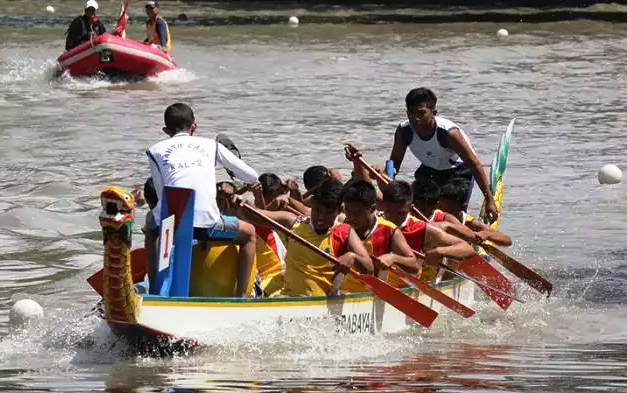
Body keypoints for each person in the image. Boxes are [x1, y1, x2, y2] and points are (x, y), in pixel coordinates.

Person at [145, 103, 259, 297]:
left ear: (166, 130)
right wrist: (251, 184)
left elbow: (161, 192)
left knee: (150, 229)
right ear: (194, 127)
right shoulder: (211, 145)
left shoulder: (154, 150)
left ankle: (155, 291)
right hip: (208, 225)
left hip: (171, 226)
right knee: (250, 234)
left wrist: (154, 221)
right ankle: (241, 296)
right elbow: (251, 175)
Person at [234, 178, 374, 297]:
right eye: (318, 210)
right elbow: (254, 215)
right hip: (288, 297)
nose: (321, 218)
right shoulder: (292, 222)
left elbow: (369, 268)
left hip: (322, 304)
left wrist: (352, 257)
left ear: (339, 210)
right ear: (312, 202)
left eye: (328, 213)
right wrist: (239, 202)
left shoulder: (345, 232)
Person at [387, 87, 498, 223]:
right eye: (411, 113)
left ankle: (461, 230)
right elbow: (395, 163)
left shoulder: (448, 134)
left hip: (458, 172)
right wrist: (389, 185)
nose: (415, 119)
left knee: (449, 213)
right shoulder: (403, 132)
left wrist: (489, 199)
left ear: (433, 113)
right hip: (429, 169)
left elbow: (474, 164)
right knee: (417, 207)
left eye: (421, 113)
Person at [378, 181, 474, 284]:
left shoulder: (421, 229)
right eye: (389, 212)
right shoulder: (375, 222)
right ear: (382, 206)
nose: (393, 218)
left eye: (401, 213)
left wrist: (439, 251)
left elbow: (467, 249)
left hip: (408, 288)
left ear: (411, 208)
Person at [338, 180, 420, 293]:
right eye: (347, 210)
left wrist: (393, 258)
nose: (351, 217)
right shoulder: (341, 226)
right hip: (343, 291)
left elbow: (414, 265)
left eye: (357, 213)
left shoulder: (389, 230)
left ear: (372, 208)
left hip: (373, 293)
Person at [438, 178, 512, 247]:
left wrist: (486, 234)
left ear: (463, 207)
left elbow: (508, 240)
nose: (446, 216)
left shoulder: (470, 223)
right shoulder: (434, 216)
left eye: (450, 212)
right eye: (440, 209)